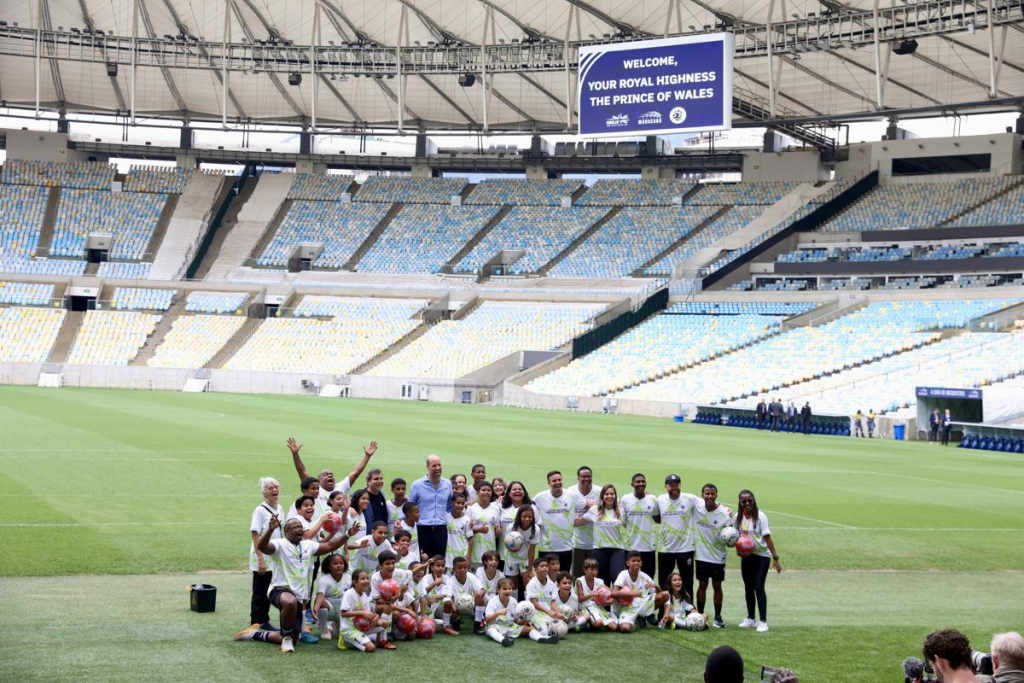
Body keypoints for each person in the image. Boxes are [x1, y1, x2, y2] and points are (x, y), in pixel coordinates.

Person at [239, 515, 351, 652]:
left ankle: (256, 634)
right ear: (287, 531)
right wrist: (269, 530)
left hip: (300, 595)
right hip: (279, 589)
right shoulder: (279, 543)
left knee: (294, 638)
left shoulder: (308, 545)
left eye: (301, 527)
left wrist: (348, 534)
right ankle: (286, 639)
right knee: (290, 602)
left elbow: (328, 546)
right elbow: (262, 547)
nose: (300, 529)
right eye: (295, 527)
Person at [287, 437, 378, 511]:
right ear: (318, 481)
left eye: (331, 474)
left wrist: (367, 456)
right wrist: (295, 454)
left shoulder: (340, 488)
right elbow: (302, 472)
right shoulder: (315, 490)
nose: (330, 475)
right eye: (325, 475)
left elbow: (355, 473)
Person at [735, 489, 781, 633]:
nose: (747, 503)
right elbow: (735, 536)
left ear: (754, 500)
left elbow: (767, 538)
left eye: (750, 500)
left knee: (758, 586)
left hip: (761, 555)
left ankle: (763, 621)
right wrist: (738, 550)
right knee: (748, 587)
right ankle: (750, 618)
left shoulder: (760, 517)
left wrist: (775, 558)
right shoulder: (738, 517)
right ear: (740, 503)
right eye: (744, 501)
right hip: (747, 556)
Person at [693, 483, 733, 629]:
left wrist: (731, 542)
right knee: (702, 584)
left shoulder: (725, 513)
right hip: (701, 556)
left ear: (716, 495)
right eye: (707, 493)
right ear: (702, 495)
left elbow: (731, 536)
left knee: (717, 585)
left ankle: (718, 617)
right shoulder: (696, 507)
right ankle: (700, 614)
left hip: (718, 556)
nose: (710, 496)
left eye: (712, 494)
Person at [656, 473, 701, 601]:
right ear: (666, 486)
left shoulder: (690, 499)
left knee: (687, 582)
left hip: (685, 548)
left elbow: (706, 504)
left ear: (680, 485)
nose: (674, 487)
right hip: (666, 548)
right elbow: (656, 517)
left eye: (677, 484)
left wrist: (725, 508)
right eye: (671, 485)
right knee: (664, 582)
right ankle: (663, 612)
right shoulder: (660, 500)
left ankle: (689, 610)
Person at [248, 477, 284, 631]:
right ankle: (258, 622)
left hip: (274, 555)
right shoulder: (260, 510)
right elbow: (255, 534)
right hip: (262, 557)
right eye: (270, 488)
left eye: (276, 486)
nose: (274, 490)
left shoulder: (280, 508)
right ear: (264, 492)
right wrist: (260, 558)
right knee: (260, 590)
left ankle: (263, 619)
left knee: (269, 588)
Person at [532, 470, 581, 571]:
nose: (557, 482)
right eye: (554, 480)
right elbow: (526, 506)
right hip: (546, 548)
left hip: (566, 547)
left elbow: (586, 505)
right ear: (548, 483)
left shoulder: (572, 495)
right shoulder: (540, 497)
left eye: (559, 479)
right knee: (545, 579)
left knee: (564, 579)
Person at [408, 454, 453, 560]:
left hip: (441, 530)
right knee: (422, 561)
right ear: (427, 467)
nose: (437, 468)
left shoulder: (447, 484)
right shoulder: (417, 485)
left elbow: (449, 506)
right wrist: (400, 519)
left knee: (439, 562)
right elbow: (410, 506)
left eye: (439, 465)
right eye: (434, 466)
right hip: (423, 530)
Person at [611, 551, 667, 633]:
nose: (636, 563)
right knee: (625, 628)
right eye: (633, 561)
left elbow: (659, 593)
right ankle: (636, 621)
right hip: (626, 608)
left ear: (641, 563)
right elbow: (614, 593)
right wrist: (633, 593)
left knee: (665, 595)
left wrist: (656, 586)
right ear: (627, 563)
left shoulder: (644, 576)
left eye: (638, 561)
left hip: (640, 605)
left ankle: (641, 616)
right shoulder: (623, 574)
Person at [583, 483, 627, 586]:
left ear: (616, 496)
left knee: (617, 578)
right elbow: (579, 521)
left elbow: (629, 526)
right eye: (606, 494)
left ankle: (618, 601)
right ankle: (605, 602)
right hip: (599, 549)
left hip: (617, 549)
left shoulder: (621, 510)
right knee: (602, 581)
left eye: (612, 494)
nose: (609, 496)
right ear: (602, 496)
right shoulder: (595, 510)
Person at [620, 472, 661, 579]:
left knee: (648, 578)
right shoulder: (625, 499)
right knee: (629, 579)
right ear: (632, 484)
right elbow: (623, 522)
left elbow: (657, 518)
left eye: (643, 481)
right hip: (630, 546)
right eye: (638, 482)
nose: (641, 484)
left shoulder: (652, 499)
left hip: (648, 546)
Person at [338, 569, 390, 652]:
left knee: (385, 623)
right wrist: (362, 612)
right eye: (362, 579)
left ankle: (382, 641)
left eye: (367, 578)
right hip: (349, 629)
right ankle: (346, 639)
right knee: (371, 648)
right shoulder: (349, 594)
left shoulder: (365, 596)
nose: (366, 581)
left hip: (361, 626)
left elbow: (367, 615)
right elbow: (343, 613)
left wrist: (375, 617)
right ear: (354, 582)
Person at [566, 465, 598, 577]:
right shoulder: (571, 491)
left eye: (589, 476)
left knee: (595, 576)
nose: (586, 479)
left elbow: (612, 504)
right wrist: (594, 507)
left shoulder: (599, 491)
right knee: (577, 576)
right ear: (578, 478)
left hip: (596, 543)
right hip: (577, 542)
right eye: (583, 476)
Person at [313, 554, 350, 641]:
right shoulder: (324, 579)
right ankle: (324, 629)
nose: (339, 565)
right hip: (330, 608)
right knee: (321, 603)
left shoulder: (349, 578)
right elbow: (320, 595)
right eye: (335, 563)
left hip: (343, 609)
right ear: (329, 567)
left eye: (341, 563)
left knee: (343, 634)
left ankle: (337, 626)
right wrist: (315, 609)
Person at [504, 505, 539, 596]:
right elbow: (506, 543)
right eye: (524, 516)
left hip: (525, 558)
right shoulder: (511, 527)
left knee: (528, 581)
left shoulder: (535, 529)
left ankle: (529, 606)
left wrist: (530, 569)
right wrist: (512, 548)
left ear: (533, 517)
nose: (527, 519)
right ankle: (514, 606)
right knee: (513, 584)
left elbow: (532, 550)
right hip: (511, 558)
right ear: (519, 516)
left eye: (530, 517)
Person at [575, 557, 617, 631]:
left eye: (596, 570)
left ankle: (590, 622)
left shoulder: (600, 581)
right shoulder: (579, 581)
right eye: (591, 569)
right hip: (586, 608)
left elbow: (610, 593)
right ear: (585, 570)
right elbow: (580, 599)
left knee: (614, 627)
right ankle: (587, 621)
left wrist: (611, 600)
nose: (594, 572)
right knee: (599, 623)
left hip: (599, 607)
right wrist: (592, 594)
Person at [468, 481, 502, 569]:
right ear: (477, 492)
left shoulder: (496, 509)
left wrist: (498, 531)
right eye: (483, 490)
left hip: (490, 551)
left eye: (489, 490)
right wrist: (479, 530)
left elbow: (497, 529)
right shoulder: (471, 509)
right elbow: (466, 531)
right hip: (475, 553)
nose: (486, 492)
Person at [446, 492, 473, 569]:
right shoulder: (446, 517)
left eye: (462, 503)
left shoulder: (467, 519)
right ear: (452, 503)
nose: (460, 505)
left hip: (462, 555)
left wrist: (468, 557)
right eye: (458, 503)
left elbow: (470, 539)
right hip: (448, 557)